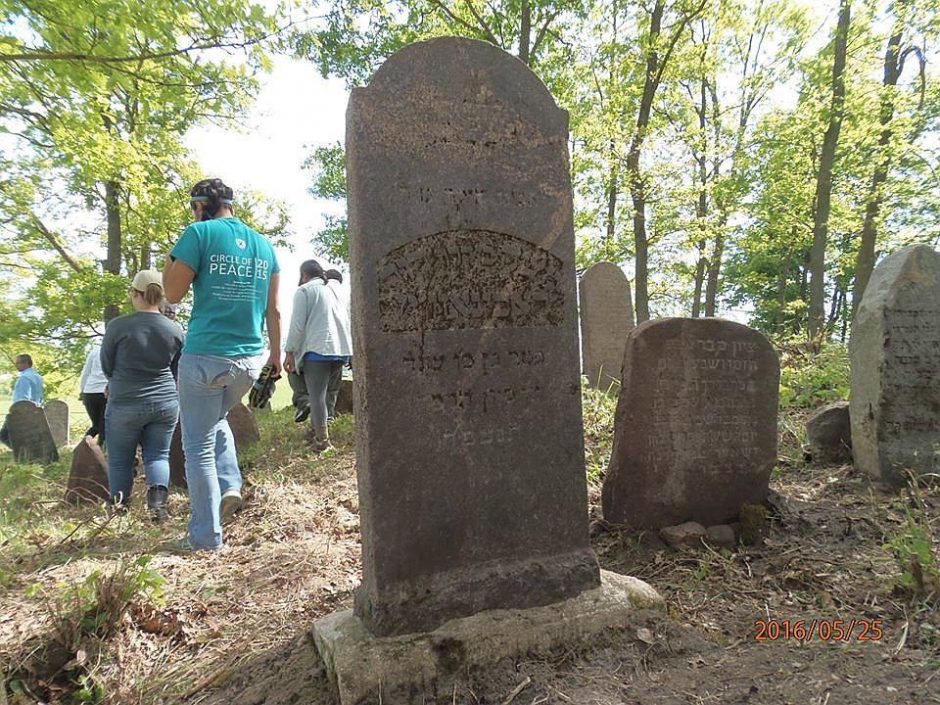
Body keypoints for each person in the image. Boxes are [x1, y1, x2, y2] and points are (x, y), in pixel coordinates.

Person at [163, 178, 281, 551]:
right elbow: (273, 310)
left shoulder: (198, 234)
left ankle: (205, 538)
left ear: (201, 205)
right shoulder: (265, 246)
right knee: (215, 421)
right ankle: (230, 485)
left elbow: (171, 292)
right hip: (248, 362)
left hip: (204, 358)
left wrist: (173, 258)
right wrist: (275, 358)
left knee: (196, 446)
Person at [99, 271, 184, 521]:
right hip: (165, 402)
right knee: (158, 455)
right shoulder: (175, 329)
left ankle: (119, 508)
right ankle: (158, 507)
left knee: (120, 459)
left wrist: (115, 382)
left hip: (125, 402)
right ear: (159, 297)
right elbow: (178, 368)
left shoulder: (118, 326)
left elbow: (106, 364)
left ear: (135, 294)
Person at [284, 260, 351, 451]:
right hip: (341, 350)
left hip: (318, 350)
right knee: (329, 394)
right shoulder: (334, 290)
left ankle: (322, 441)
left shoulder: (304, 291)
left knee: (316, 397)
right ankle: (319, 431)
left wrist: (289, 352)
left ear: (304, 274)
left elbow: (297, 326)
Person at [0, 354, 45, 447]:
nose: (16, 365)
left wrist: (17, 412)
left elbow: (22, 398)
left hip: (22, 410)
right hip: (36, 410)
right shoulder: (37, 376)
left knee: (4, 435)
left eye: (18, 363)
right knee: (28, 435)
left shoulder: (24, 378)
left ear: (26, 363)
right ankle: (26, 452)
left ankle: (22, 452)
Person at [324, 269, 351, 421]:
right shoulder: (346, 294)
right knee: (333, 387)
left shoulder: (320, 291)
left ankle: (319, 420)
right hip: (342, 348)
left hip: (320, 348)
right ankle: (329, 417)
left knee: (318, 388)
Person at [79, 341, 108, 446]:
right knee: (104, 425)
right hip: (105, 392)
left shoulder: (95, 352)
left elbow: (85, 373)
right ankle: (99, 450)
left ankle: (85, 445)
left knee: (97, 425)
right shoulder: (118, 352)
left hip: (90, 392)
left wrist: (82, 391)